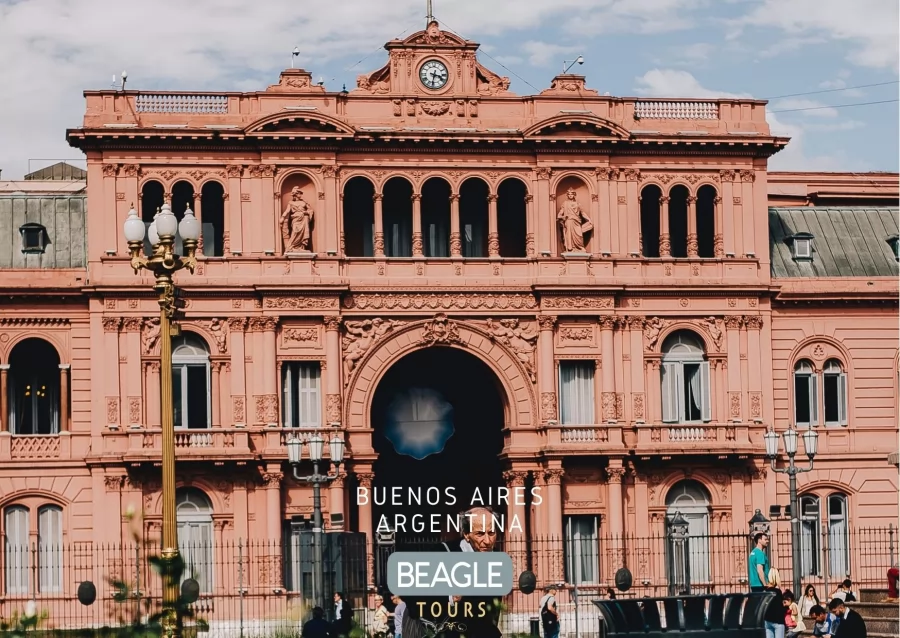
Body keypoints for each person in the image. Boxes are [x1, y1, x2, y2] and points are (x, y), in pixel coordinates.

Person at [401, 506, 503, 638]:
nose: (488, 541)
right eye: (480, 534)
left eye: (491, 533)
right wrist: (449, 597)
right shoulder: (441, 553)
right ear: (466, 534)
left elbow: (489, 614)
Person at [763, 569, 785, 638]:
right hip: (778, 621)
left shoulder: (765, 592)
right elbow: (781, 606)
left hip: (767, 620)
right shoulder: (778, 592)